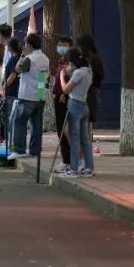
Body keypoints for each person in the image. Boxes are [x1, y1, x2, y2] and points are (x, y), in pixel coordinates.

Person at [7, 33, 50, 158]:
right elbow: (43, 77)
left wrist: (23, 55)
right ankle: (35, 150)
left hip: (27, 95)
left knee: (19, 122)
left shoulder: (29, 58)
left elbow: (17, 69)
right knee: (36, 125)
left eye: (25, 44)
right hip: (40, 94)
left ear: (29, 45)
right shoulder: (45, 58)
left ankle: (19, 150)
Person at [59, 48, 95, 177]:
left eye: (70, 62)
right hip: (84, 105)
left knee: (74, 138)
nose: (69, 64)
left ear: (74, 61)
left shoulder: (78, 73)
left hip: (75, 105)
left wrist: (62, 76)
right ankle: (88, 167)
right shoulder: (88, 71)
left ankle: (74, 169)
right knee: (85, 139)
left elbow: (66, 89)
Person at [52, 35, 74, 170]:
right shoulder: (60, 62)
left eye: (64, 45)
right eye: (59, 45)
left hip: (64, 98)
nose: (61, 47)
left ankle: (68, 160)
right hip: (57, 97)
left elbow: (71, 81)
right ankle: (66, 159)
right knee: (60, 130)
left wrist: (64, 94)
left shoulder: (70, 63)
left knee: (65, 131)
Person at [76, 33, 106, 131]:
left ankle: (86, 140)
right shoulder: (96, 58)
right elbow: (101, 76)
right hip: (93, 91)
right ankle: (88, 139)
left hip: (86, 92)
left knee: (84, 120)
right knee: (88, 121)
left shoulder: (88, 60)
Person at [0, 37, 22, 141]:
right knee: (11, 117)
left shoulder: (14, 58)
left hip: (12, 92)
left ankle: (9, 141)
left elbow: (13, 75)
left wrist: (4, 87)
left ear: (10, 47)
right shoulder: (17, 58)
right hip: (14, 91)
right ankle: (10, 140)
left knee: (10, 117)